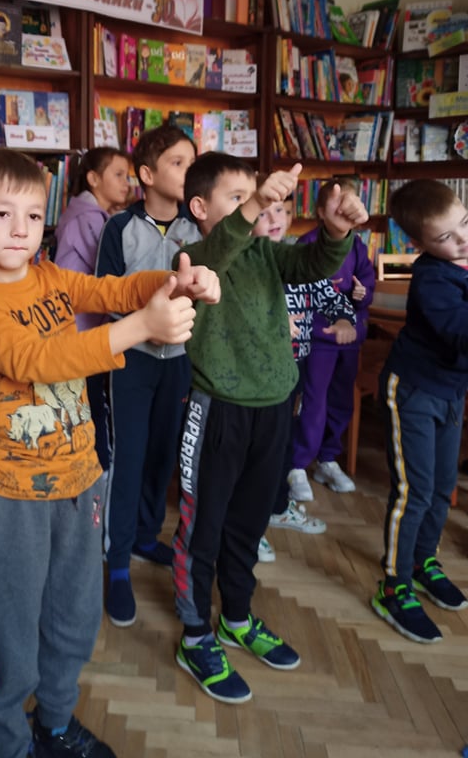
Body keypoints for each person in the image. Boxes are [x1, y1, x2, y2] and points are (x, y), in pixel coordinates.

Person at [0, 148, 219, 758]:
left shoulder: (49, 276)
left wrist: (175, 282)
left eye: (32, 215)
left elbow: (112, 289)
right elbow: (37, 360)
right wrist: (140, 328)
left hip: (81, 480)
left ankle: (54, 724)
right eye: (1, 214)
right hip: (13, 497)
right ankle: (6, 744)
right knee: (11, 637)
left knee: (73, 619)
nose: (20, 229)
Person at [172, 153, 368, 704]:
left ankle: (236, 616)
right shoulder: (193, 255)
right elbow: (218, 251)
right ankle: (194, 634)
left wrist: (336, 231)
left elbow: (311, 265)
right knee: (203, 527)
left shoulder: (264, 251)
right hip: (218, 409)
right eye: (237, 198)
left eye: (253, 196)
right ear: (200, 207)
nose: (256, 207)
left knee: (249, 522)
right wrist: (256, 203)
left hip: (274, 407)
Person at [95, 125, 200, 627]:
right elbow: (105, 294)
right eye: (178, 163)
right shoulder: (120, 227)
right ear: (147, 174)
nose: (188, 172)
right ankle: (117, 563)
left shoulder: (197, 229)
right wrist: (147, 325)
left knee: (163, 454)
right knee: (129, 457)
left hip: (178, 361)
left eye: (192, 163)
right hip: (131, 361)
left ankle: (143, 536)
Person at [371, 179, 468, 644]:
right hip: (412, 392)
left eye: (465, 224)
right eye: (446, 236)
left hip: (450, 393)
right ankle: (393, 586)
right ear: (419, 244)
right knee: (415, 491)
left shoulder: (461, 262)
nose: (462, 239)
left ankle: (422, 559)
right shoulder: (432, 278)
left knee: (444, 486)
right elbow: (460, 333)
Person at [250, 189, 357, 562]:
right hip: (256, 377)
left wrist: (344, 319)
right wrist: (273, 324)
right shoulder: (249, 264)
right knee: (258, 453)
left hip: (293, 370)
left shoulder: (303, 262)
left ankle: (277, 507)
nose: (274, 218)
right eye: (264, 213)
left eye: (281, 211)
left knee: (283, 445)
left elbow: (334, 299)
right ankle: (248, 527)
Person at [290, 179, 375, 502]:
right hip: (319, 339)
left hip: (350, 339)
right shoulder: (307, 244)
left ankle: (327, 458)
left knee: (342, 401)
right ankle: (298, 463)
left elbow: (366, 281)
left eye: (352, 203)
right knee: (313, 401)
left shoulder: (358, 246)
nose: (346, 210)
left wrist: (362, 294)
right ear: (320, 211)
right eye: (338, 204)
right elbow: (299, 290)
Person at [53, 146, 131, 469]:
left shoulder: (85, 213)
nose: (127, 183)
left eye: (128, 176)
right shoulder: (89, 218)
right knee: (91, 405)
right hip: (81, 330)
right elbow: (114, 268)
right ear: (94, 179)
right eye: (119, 175)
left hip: (78, 326)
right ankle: (97, 472)